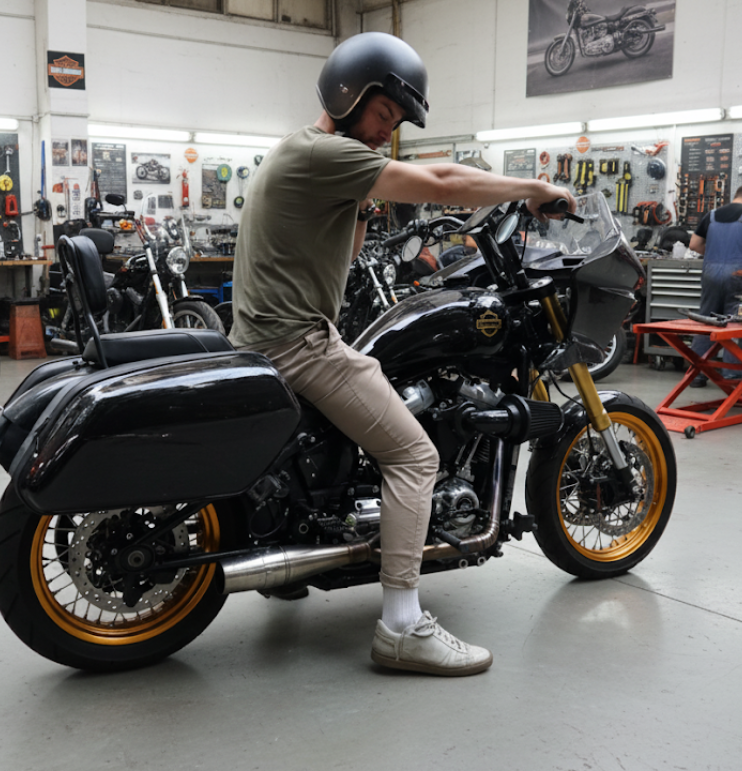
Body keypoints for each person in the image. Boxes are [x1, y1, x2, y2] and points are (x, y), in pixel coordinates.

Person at [229, 31, 575, 677]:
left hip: (272, 336)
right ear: (348, 93)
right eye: (384, 114)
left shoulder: (309, 156)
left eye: (394, 123)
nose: (386, 133)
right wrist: (530, 188)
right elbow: (441, 179)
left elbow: (349, 252)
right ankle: (402, 625)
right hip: (299, 344)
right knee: (415, 453)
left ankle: (290, 563)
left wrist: (362, 207)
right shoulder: (324, 149)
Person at [688, 186, 742, 386]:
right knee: (735, 324)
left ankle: (697, 374)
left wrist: (715, 255)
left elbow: (693, 245)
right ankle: (732, 376)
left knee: (707, 320)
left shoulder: (711, 215)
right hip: (738, 275)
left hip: (710, 272)